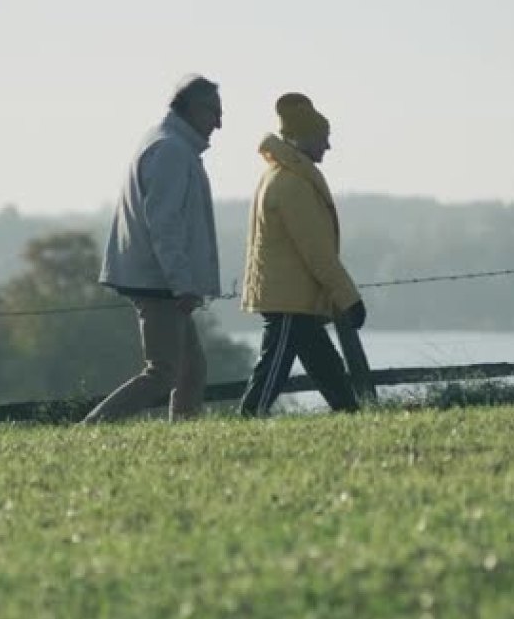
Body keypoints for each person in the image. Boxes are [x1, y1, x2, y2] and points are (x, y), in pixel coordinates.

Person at [82, 74, 222, 423]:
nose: (219, 123)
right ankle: (89, 429)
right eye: (214, 112)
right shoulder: (172, 150)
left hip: (159, 277)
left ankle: (186, 438)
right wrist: (182, 283)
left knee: (191, 370)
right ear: (192, 109)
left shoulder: (167, 142)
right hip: (158, 280)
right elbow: (165, 224)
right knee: (163, 373)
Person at [239, 92, 366, 417]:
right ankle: (249, 418)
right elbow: (317, 252)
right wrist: (349, 298)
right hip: (289, 300)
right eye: (323, 139)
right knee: (273, 369)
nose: (328, 146)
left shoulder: (280, 176)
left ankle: (349, 412)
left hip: (294, 296)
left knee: (326, 366)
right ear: (304, 138)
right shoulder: (293, 184)